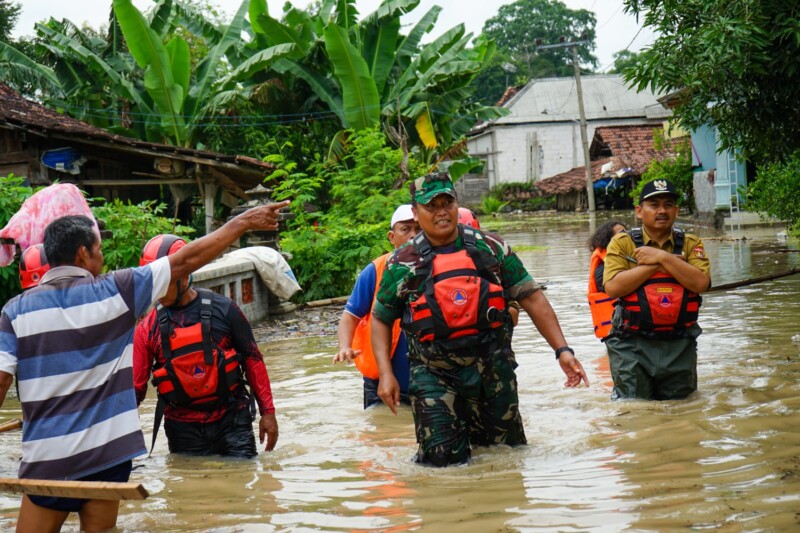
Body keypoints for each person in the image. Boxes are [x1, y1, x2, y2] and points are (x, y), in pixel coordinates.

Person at [0, 200, 288, 533]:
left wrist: (267, 410)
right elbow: (187, 259)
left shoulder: (14, 312)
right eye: (98, 251)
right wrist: (244, 222)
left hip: (47, 462)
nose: (102, 258)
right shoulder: (118, 294)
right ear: (82, 255)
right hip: (106, 462)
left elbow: (2, 382)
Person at [370, 172, 589, 467]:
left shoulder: (491, 248)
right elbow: (380, 319)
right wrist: (386, 374)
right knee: (442, 467)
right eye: (431, 205)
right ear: (415, 212)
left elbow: (532, 297)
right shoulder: (401, 263)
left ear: (456, 203)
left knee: (508, 459)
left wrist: (562, 351)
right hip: (435, 376)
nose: (441, 211)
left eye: (447, 202)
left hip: (494, 372)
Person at [134, 234, 278, 457]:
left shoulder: (226, 309)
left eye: (164, 283)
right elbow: (135, 388)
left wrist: (268, 413)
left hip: (233, 421)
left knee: (244, 480)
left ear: (183, 275)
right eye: (154, 284)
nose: (157, 291)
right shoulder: (147, 328)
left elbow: (252, 359)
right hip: (182, 431)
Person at [603, 179, 711, 400]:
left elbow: (701, 284)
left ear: (676, 210)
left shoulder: (691, 243)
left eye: (668, 204)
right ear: (639, 211)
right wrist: (660, 264)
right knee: (634, 409)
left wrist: (661, 256)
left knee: (681, 410)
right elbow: (613, 287)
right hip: (631, 342)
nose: (662, 210)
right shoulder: (622, 243)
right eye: (654, 205)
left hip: (679, 341)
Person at [333, 205, 420, 408]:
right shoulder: (376, 270)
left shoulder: (437, 265)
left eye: (418, 230)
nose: (413, 236)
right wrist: (345, 347)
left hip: (430, 385)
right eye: (405, 230)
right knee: (380, 435)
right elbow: (350, 316)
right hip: (381, 381)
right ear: (392, 236)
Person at [587, 220, 627, 339]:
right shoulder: (602, 266)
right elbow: (609, 288)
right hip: (617, 327)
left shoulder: (628, 257)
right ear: (609, 240)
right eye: (621, 233)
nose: (627, 236)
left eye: (626, 232)